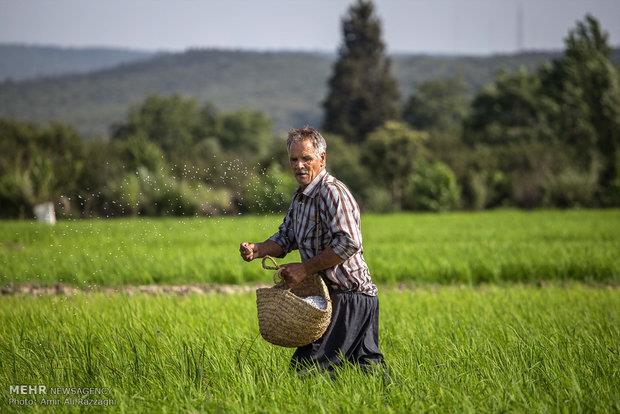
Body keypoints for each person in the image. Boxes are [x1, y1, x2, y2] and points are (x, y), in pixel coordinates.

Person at [239, 126, 385, 376]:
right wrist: (259, 249)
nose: (299, 165)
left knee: (307, 368)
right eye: (294, 159)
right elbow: (286, 238)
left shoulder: (332, 192)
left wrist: (304, 269)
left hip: (350, 296)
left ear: (322, 158)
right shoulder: (301, 198)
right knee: (365, 369)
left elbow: (349, 242)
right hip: (335, 298)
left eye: (306, 158)